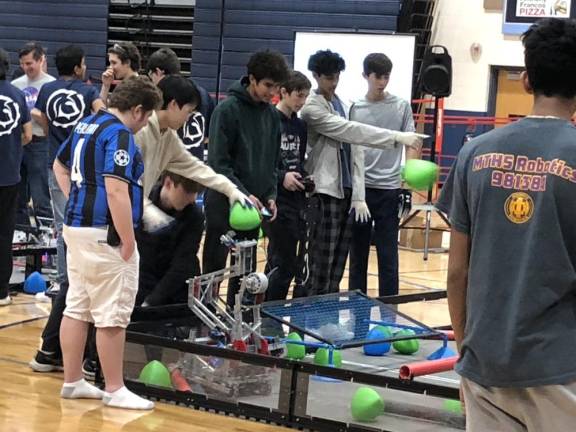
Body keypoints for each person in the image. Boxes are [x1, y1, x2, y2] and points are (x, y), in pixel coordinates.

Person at [29, 74, 249, 372]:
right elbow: (117, 187)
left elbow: (195, 168)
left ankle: (59, 358)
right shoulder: (128, 133)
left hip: (97, 224)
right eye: (188, 111)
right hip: (108, 226)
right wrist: (139, 223)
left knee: (80, 298)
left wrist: (232, 190)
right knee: (102, 304)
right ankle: (94, 369)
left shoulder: (164, 137)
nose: (189, 119)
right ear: (169, 105)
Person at [447, 17, 576, 431]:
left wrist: (465, 354)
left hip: (484, 364)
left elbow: (456, 273)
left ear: (525, 79)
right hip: (560, 368)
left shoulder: (474, 153)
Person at [54, 76, 162, 409]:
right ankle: (115, 389)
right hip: (106, 234)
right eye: (146, 118)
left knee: (77, 305)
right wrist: (128, 239)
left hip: (77, 228)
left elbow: (58, 165)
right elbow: (116, 188)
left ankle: (73, 381)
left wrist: (78, 198)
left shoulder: (87, 123)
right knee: (112, 313)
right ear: (139, 111)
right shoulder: (120, 134)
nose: (145, 126)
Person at [300, 50, 423, 296]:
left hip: (364, 190)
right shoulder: (315, 107)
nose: (333, 83)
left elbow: (355, 150)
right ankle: (326, 318)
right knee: (328, 262)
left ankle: (375, 313)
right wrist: (396, 137)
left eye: (336, 77)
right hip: (327, 192)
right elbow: (352, 131)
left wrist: (402, 185)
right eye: (328, 78)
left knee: (341, 262)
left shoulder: (341, 104)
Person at [28, 45, 104, 372]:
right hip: (81, 166)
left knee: (63, 225)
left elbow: (40, 121)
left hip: (53, 162)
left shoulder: (46, 89)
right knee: (75, 226)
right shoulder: (88, 90)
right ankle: (66, 277)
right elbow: (103, 114)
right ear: (79, 67)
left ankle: (62, 277)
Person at [202, 49, 290, 307]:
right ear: (252, 79)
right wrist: (241, 193)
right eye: (267, 85)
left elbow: (274, 163)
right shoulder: (226, 110)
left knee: (244, 274)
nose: (272, 92)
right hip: (224, 201)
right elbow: (218, 163)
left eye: (276, 87)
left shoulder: (273, 116)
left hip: (255, 208)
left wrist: (271, 195)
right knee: (214, 269)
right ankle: (205, 324)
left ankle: (236, 328)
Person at [348, 53, 419, 297]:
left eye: (386, 76)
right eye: (377, 76)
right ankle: (359, 314)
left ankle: (390, 313)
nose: (382, 81)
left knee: (389, 255)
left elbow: (412, 143)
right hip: (361, 190)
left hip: (389, 189)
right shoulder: (355, 107)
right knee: (358, 255)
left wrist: (408, 183)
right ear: (366, 76)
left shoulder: (401, 106)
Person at [264, 71, 311, 301]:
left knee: (291, 264)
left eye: (305, 97)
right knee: (282, 263)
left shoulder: (300, 126)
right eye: (298, 96)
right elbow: (264, 161)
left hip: (296, 201)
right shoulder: (270, 120)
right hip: (275, 200)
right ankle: (268, 315)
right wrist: (282, 176)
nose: (301, 102)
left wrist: (304, 178)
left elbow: (298, 160)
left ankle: (273, 312)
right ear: (283, 92)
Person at [136, 171, 204, 307]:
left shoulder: (195, 216)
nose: (193, 199)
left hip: (178, 292)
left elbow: (183, 264)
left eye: (196, 193)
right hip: (141, 285)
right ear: (168, 183)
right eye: (188, 192)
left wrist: (153, 300)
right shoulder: (139, 204)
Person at [0, 48, 33, 306]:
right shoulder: (17, 94)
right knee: (4, 233)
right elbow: (28, 135)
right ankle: (1, 292)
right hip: (9, 176)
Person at [145, 47, 216, 161]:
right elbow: (209, 136)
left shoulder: (157, 100)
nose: (187, 117)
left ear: (158, 72)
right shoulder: (200, 93)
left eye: (151, 76)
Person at [11, 42, 54, 226]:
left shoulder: (51, 85)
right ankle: (22, 233)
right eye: (22, 64)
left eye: (29, 63)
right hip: (19, 143)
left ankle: (45, 236)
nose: (26, 68)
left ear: (40, 60)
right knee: (18, 194)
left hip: (40, 143)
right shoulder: (15, 85)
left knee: (40, 193)